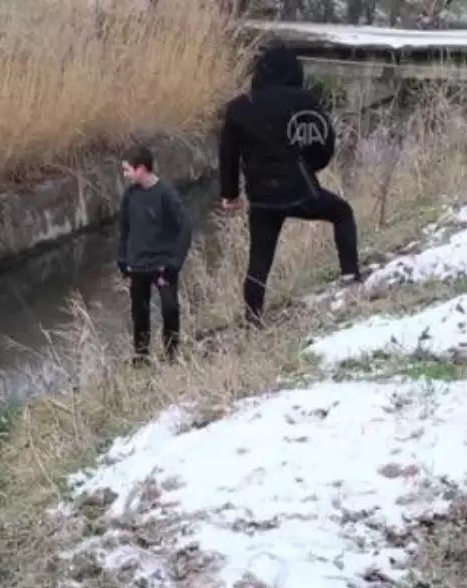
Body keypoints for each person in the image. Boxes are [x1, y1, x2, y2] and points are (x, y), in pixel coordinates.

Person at [218, 43, 363, 328]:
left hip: (261, 196)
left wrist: (230, 195)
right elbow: (324, 141)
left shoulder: (238, 108)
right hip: (299, 189)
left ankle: (252, 319)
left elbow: (228, 155)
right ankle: (350, 275)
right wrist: (310, 166)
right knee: (342, 213)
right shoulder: (304, 100)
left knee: (259, 258)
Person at [117, 145, 194, 364]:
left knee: (170, 310)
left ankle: (172, 355)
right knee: (139, 314)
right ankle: (141, 356)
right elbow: (124, 229)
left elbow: (185, 228)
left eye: (127, 170)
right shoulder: (129, 195)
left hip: (163, 265)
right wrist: (122, 260)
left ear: (141, 169)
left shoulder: (166, 194)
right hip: (138, 265)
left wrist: (174, 263)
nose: (125, 174)